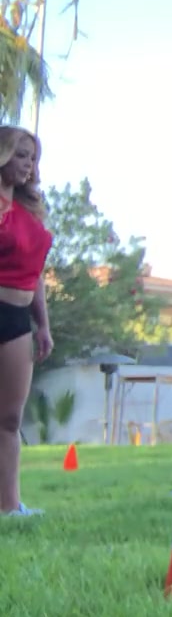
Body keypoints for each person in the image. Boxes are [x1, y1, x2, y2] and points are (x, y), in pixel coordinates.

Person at [0, 128, 54, 518]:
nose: (28, 164)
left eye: (32, 157)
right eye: (21, 155)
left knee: (9, 417)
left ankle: (9, 505)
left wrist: (43, 325)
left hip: (18, 318)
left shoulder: (30, 211)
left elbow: (36, 274)